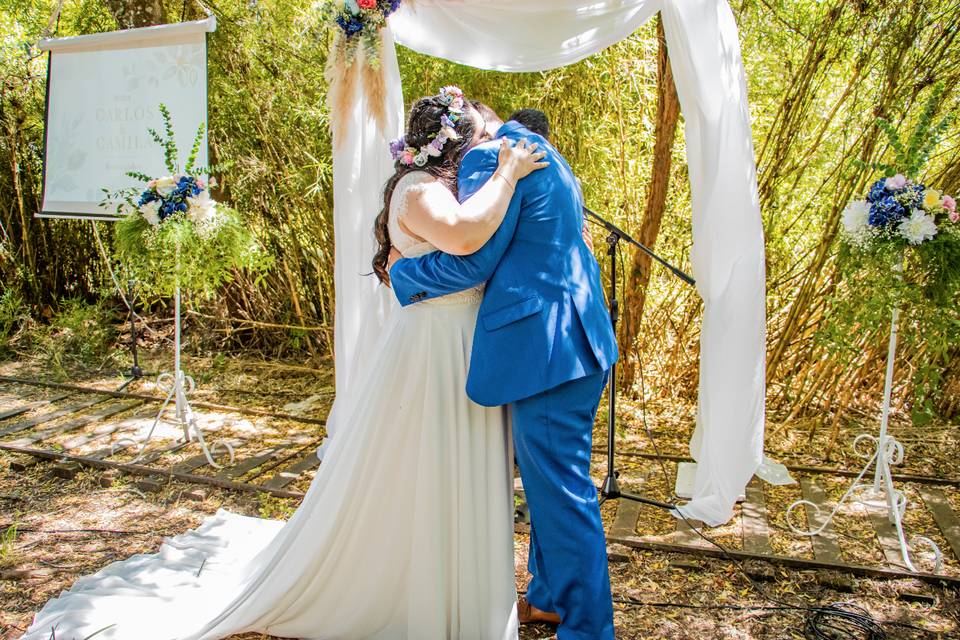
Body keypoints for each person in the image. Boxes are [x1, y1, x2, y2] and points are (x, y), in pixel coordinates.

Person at [20, 87, 547, 640]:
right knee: (430, 464)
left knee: (449, 458)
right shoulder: (418, 193)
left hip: (458, 342)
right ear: (454, 144)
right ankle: (426, 590)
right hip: (434, 350)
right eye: (481, 139)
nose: (489, 148)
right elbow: (466, 238)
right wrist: (508, 174)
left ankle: (460, 590)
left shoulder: (437, 188)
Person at [388, 100, 619, 640]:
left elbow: (474, 258)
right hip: (580, 340)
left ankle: (589, 630)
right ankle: (546, 597)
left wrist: (402, 272)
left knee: (562, 493)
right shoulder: (550, 154)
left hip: (545, 354)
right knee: (552, 485)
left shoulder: (488, 159)